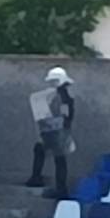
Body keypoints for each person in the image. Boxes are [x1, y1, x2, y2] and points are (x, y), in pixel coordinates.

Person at [28, 66, 76, 198]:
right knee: (47, 153)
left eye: (54, 81)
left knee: (59, 160)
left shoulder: (63, 96)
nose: (51, 84)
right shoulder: (61, 94)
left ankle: (60, 188)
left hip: (57, 131)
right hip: (54, 129)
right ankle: (42, 180)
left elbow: (65, 115)